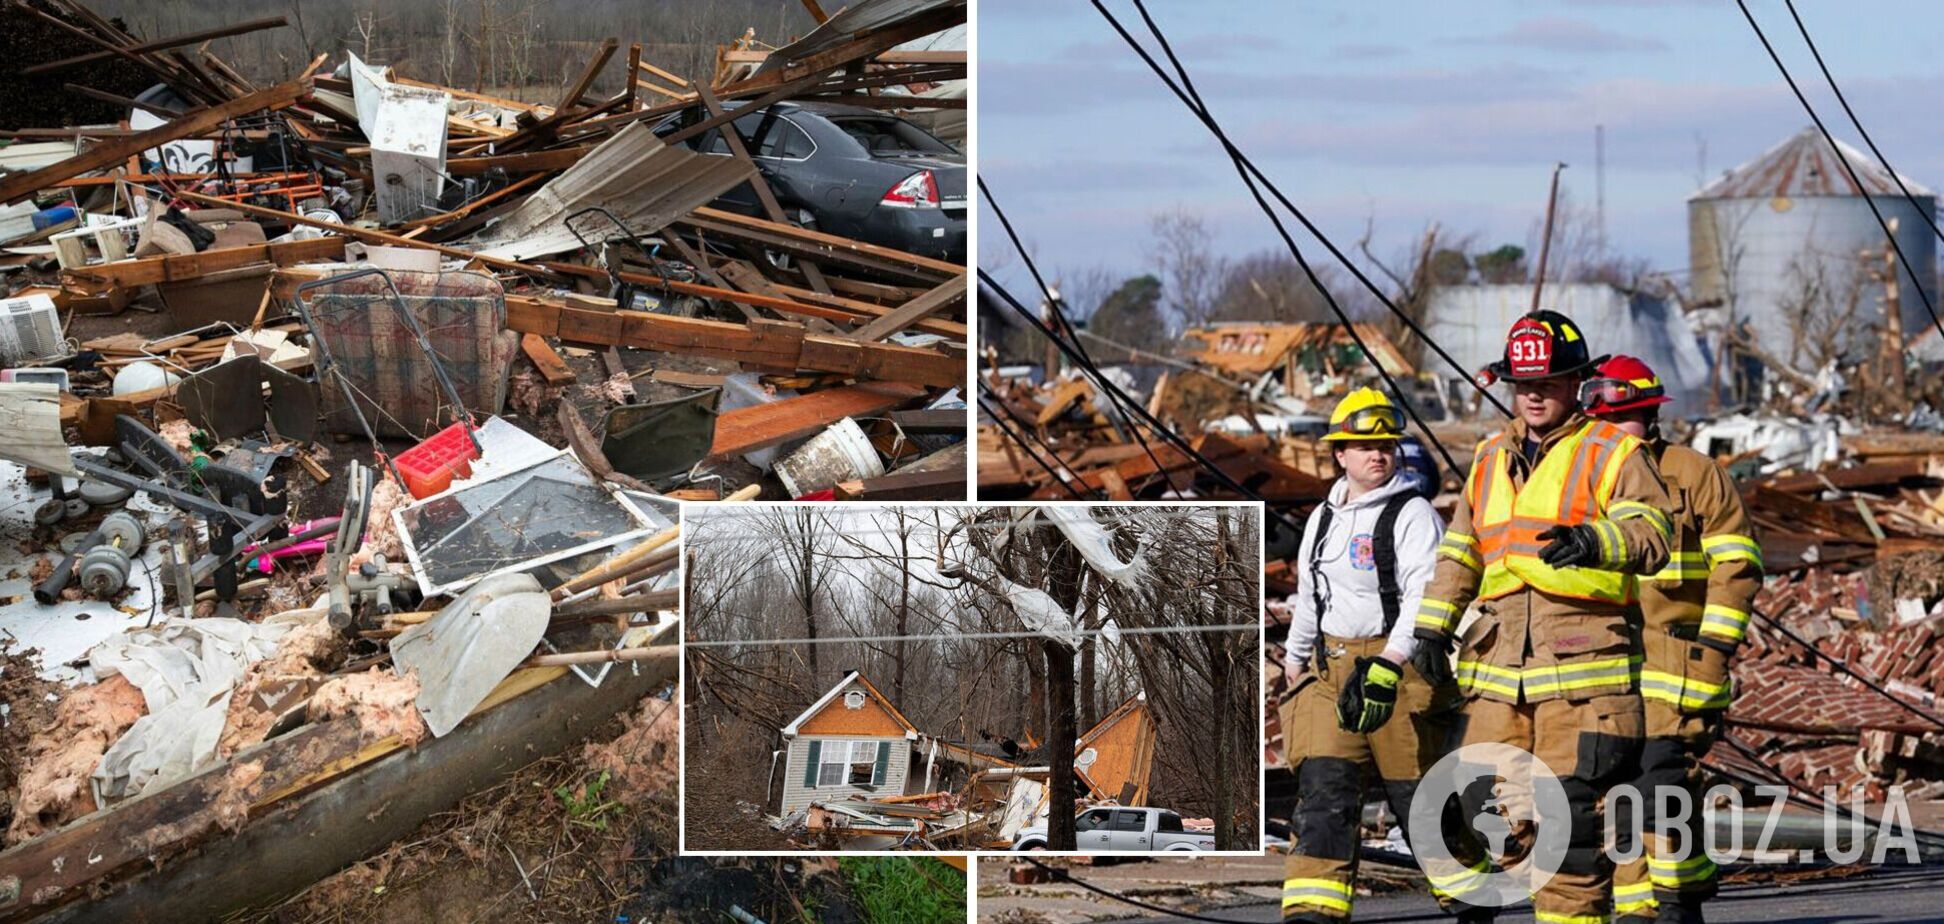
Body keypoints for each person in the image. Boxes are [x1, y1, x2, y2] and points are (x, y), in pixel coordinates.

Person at [1413, 311, 1676, 924]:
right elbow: (1461, 551)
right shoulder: (1487, 460)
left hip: (1584, 676)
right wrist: (1432, 627)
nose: (1533, 394)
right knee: (1486, 808)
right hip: (1498, 671)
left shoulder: (1614, 452)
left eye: (1549, 382)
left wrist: (1597, 540)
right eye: (1522, 383)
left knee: (1568, 821)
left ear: (1576, 383)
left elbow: (1654, 532)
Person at [1271, 387, 1478, 923]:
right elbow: (1311, 598)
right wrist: (1294, 661)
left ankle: (1471, 897)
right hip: (1328, 670)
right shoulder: (1322, 518)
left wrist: (1390, 659)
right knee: (1323, 794)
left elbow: (1423, 600)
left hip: (1399, 672)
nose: (1378, 454)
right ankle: (1312, 910)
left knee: (1422, 802)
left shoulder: (1413, 515)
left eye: (1385, 445)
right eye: (1364, 446)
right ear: (1339, 453)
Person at [1584, 356, 1762, 924]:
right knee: (1615, 789)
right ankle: (1647, 905)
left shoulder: (1695, 472)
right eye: (1609, 423)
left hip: (1677, 656)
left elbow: (1736, 565)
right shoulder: (1581, 475)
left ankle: (1676, 901)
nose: (1620, 434)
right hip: (1599, 659)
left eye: (1631, 419)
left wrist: (1713, 649)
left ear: (1652, 417)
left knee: (1660, 778)